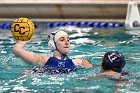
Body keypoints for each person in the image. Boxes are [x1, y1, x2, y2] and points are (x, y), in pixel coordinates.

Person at [12, 30, 92, 74]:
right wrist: (23, 40)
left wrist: (89, 67)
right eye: (62, 40)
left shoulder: (79, 62)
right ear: (52, 44)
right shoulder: (42, 60)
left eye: (68, 39)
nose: (67, 42)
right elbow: (17, 50)